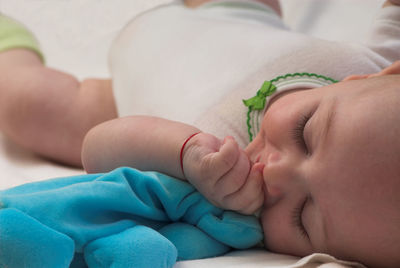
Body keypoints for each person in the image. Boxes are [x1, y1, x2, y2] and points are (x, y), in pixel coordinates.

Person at [0, 0, 400, 267]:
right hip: (232, 11)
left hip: (110, 96)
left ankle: (7, 43)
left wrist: (182, 154)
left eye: (304, 215)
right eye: (306, 133)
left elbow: (96, 150)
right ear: (379, 75)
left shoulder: (221, 197)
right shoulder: (381, 59)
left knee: (28, 106)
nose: (277, 175)